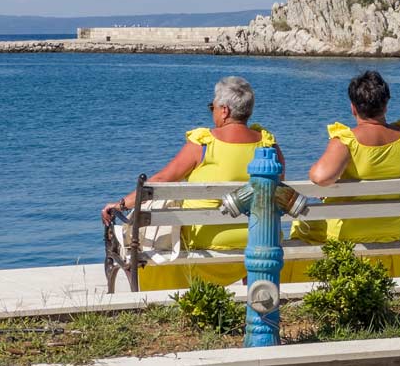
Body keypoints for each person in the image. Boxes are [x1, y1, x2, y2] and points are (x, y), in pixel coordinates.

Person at [101, 76, 285, 291]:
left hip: (206, 239)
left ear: (224, 110)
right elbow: (279, 183)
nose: (212, 112)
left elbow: (160, 181)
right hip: (261, 236)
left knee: (155, 238)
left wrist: (121, 204)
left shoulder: (204, 143)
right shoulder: (267, 143)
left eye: (212, 107)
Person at [289, 70, 400, 278]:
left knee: (301, 227)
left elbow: (320, 177)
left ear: (353, 108)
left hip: (349, 235)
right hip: (393, 231)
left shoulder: (347, 140)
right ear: (386, 105)